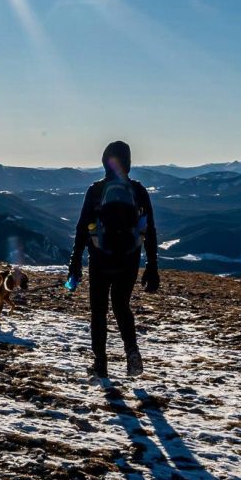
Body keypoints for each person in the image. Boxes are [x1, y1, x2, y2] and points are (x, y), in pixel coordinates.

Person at [68, 140, 159, 378]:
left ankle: (101, 365)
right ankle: (131, 350)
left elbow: (81, 229)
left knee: (98, 311)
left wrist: (75, 261)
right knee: (121, 307)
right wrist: (152, 266)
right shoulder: (138, 190)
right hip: (128, 260)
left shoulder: (96, 190)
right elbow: (149, 230)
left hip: (100, 258)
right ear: (128, 162)